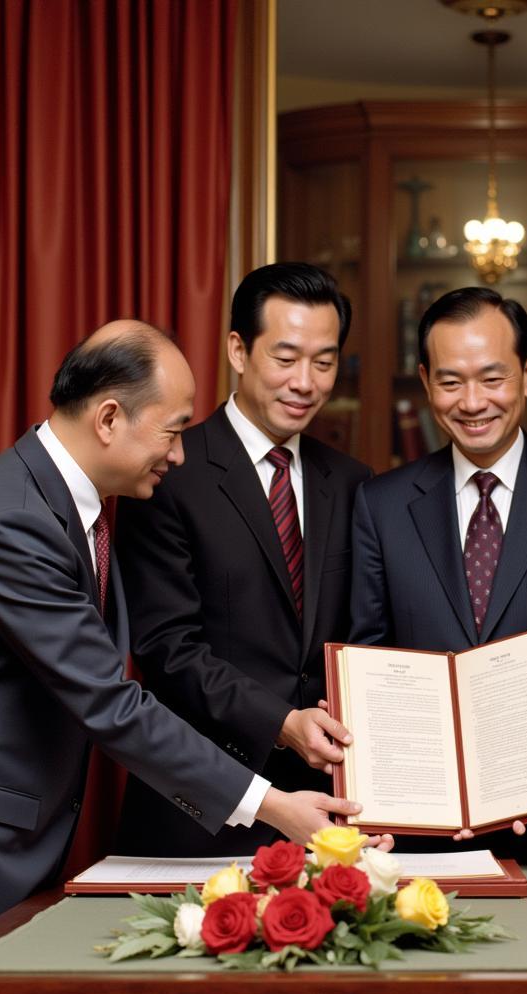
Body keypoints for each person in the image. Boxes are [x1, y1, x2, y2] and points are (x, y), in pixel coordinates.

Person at [0, 321, 382, 939]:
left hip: (24, 828)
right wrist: (275, 806)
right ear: (108, 419)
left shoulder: (75, 504)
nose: (179, 454)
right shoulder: (13, 522)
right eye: (173, 430)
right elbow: (110, 702)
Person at [349, 286, 527, 861]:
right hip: (416, 826)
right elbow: (367, 656)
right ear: (426, 382)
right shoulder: (381, 504)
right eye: (451, 381)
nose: (473, 401)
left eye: (492, 377)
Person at [114, 264, 372, 856]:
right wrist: (281, 721)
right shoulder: (169, 473)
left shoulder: (353, 482)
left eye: (324, 362)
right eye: (285, 358)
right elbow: (166, 648)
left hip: (328, 807)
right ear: (237, 349)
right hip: (201, 803)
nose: (304, 382)